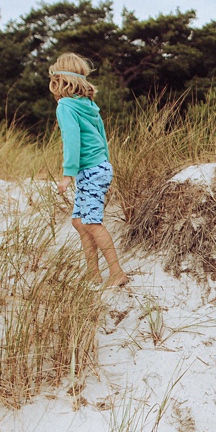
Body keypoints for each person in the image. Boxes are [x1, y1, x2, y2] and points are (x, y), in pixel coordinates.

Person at [51, 53, 128, 288]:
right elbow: (102, 139)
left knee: (92, 222)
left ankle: (116, 273)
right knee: (79, 221)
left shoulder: (66, 106)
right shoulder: (89, 105)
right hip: (99, 167)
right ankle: (93, 273)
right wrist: (105, 166)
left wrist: (67, 175)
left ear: (59, 81)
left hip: (90, 171)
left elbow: (72, 142)